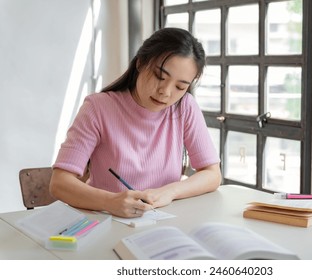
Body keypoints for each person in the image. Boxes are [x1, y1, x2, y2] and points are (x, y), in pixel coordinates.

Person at [49, 28, 221, 218]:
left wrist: (170, 192)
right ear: (140, 62)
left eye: (180, 87)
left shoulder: (185, 107)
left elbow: (212, 174)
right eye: (159, 77)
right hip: (108, 220)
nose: (165, 92)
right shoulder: (98, 107)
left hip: (162, 222)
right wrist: (110, 202)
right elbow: (60, 183)